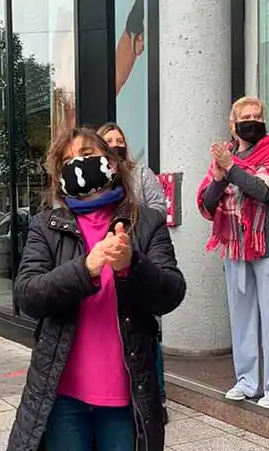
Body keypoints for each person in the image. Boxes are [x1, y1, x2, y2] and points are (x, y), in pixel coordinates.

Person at [2, 127, 186, 451]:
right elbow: (27, 295)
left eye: (89, 153)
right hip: (64, 397)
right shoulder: (46, 227)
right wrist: (84, 269)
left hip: (123, 397)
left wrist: (132, 266)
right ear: (58, 174)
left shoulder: (146, 223)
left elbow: (172, 292)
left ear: (112, 162)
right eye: (69, 159)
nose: (80, 163)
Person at [196, 96, 269, 410]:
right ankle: (247, 381)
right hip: (236, 247)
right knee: (242, 319)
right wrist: (219, 177)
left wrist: (230, 168)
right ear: (233, 124)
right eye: (246, 117)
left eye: (258, 116)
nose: (252, 121)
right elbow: (207, 203)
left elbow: (263, 190)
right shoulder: (226, 156)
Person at [99, 122, 170, 423]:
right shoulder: (96, 177)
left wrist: (135, 222)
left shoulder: (141, 173)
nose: (116, 145)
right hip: (106, 259)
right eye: (109, 140)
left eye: (120, 140)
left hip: (137, 255)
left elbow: (158, 207)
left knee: (146, 329)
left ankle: (158, 398)